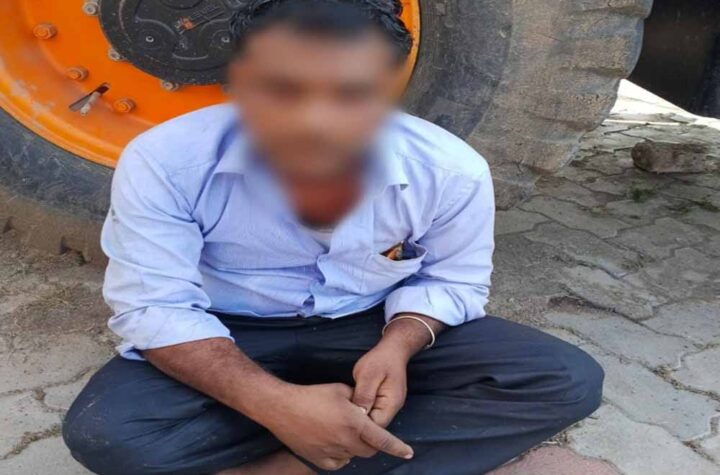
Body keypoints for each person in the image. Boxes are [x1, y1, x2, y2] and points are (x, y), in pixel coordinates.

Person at [62, 1, 604, 474]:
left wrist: (399, 344)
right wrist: (275, 404)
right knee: (108, 434)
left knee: (562, 380)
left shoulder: (450, 170)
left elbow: (454, 280)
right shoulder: (166, 160)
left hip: (369, 324)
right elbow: (155, 306)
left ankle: (286, 464)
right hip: (227, 330)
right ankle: (336, 431)